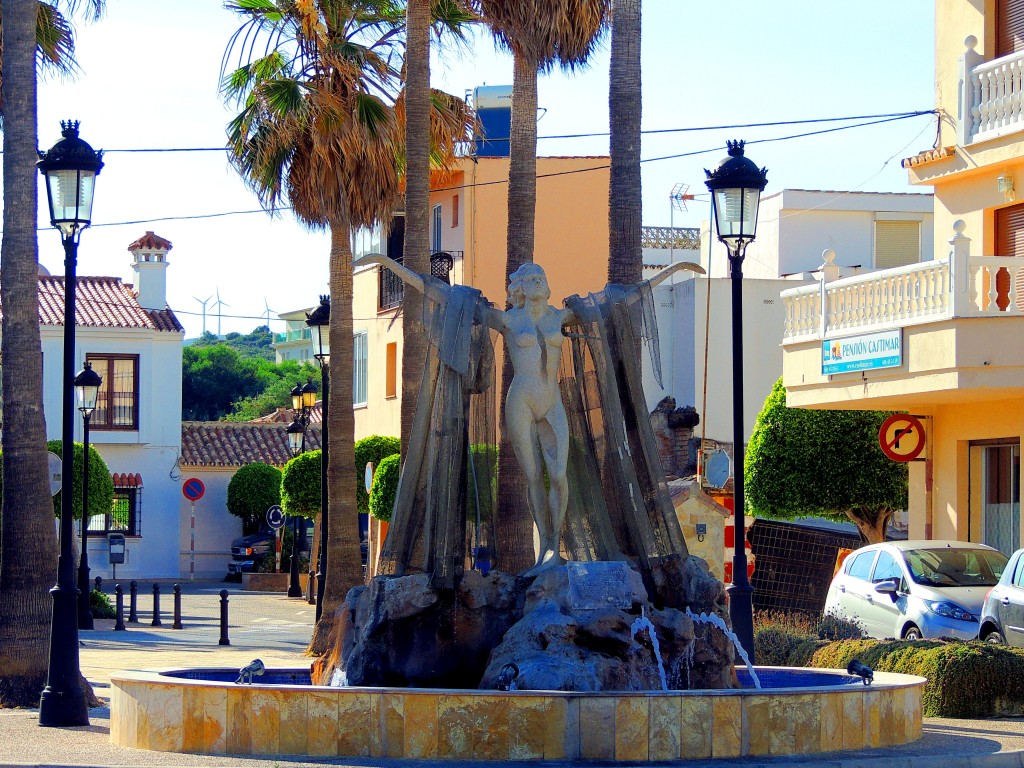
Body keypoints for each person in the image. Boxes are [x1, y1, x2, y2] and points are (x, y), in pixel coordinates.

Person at [352, 253, 703, 575]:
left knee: (559, 474)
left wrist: (671, 270)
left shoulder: (561, 316)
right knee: (533, 476)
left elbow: (616, 302)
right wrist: (389, 264)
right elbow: (444, 296)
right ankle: (545, 549)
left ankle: (553, 543)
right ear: (519, 287)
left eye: (540, 278)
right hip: (521, 399)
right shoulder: (508, 320)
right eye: (531, 278)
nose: (537, 282)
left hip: (551, 401)